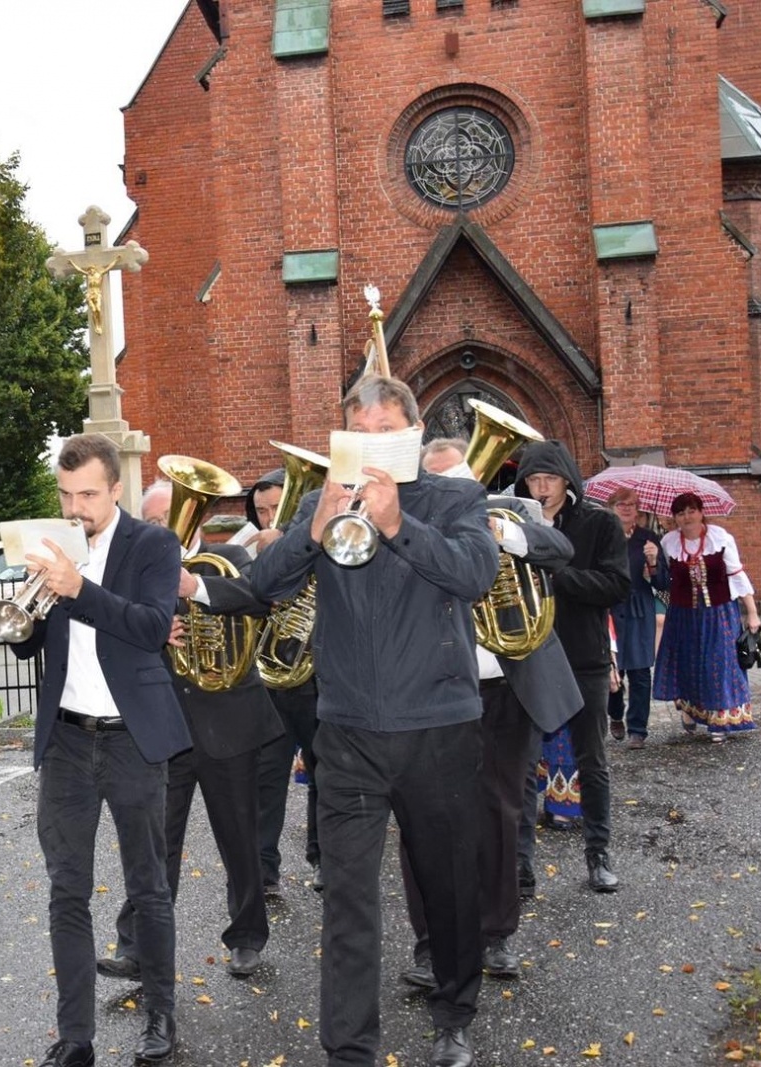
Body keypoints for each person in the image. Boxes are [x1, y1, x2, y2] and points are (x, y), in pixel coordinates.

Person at [252, 377, 498, 1067]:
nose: (374, 440)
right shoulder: (318, 499)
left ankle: (453, 1009)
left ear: (413, 433)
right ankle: (350, 1049)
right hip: (350, 732)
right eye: (360, 432)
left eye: (387, 427)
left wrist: (396, 524)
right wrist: (314, 526)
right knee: (348, 899)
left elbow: (476, 571)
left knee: (448, 883)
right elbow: (264, 584)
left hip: (439, 727)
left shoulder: (456, 497)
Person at [11, 433, 192, 1067]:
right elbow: (28, 644)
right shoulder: (53, 544)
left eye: (87, 494)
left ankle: (161, 1018)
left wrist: (78, 588)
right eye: (65, 494)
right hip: (65, 738)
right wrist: (23, 606)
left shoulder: (152, 544)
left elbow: (149, 628)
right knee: (67, 891)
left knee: (149, 887)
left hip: (132, 739)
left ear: (116, 488)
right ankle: (76, 1037)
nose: (76, 507)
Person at [398, 437, 581, 990]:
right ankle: (431, 944)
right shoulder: (405, 526)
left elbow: (559, 549)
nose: (452, 492)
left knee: (500, 813)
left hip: (500, 688)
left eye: (461, 480)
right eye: (441, 482)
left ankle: (496, 933)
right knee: (421, 821)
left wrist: (504, 533)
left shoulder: (502, 511)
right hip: (427, 692)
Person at [100, 480, 284, 982]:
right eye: (153, 523)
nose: (161, 531)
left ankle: (246, 937)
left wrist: (194, 588)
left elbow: (262, 599)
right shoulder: (134, 571)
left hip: (230, 721)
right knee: (155, 843)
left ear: (197, 519)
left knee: (239, 840)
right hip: (166, 725)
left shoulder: (229, 558)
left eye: (167, 520)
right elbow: (114, 636)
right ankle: (138, 948)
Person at [514, 441, 629, 893]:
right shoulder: (512, 523)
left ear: (568, 481)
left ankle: (598, 853)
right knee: (522, 766)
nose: (541, 489)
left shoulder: (598, 523)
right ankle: (521, 863)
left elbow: (617, 584)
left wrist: (557, 577)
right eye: (533, 481)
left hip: (583, 656)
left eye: (550, 480)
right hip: (529, 656)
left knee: (592, 760)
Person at [241, 466, 325, 898]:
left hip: (313, 678)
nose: (269, 517)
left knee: (323, 770)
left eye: (277, 508)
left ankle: (322, 858)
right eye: (261, 510)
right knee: (266, 777)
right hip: (267, 680)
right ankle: (264, 870)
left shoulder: (317, 539)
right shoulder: (244, 549)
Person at [649, 491, 761, 742]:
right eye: (680, 512)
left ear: (701, 512)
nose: (686, 517)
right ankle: (690, 710)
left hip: (719, 612)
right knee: (688, 662)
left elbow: (736, 574)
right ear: (674, 517)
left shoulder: (720, 537)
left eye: (691, 510)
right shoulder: (668, 542)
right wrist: (653, 562)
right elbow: (664, 582)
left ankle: (720, 720)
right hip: (683, 616)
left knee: (719, 662)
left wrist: (753, 613)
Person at [606, 488, 667, 748]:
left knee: (641, 673)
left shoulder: (648, 539)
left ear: (638, 509)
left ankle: (638, 730)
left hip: (639, 610)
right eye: (621, 504)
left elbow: (663, 583)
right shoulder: (603, 538)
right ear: (611, 508)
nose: (627, 508)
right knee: (613, 671)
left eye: (632, 504)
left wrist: (654, 562)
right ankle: (616, 714)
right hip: (610, 609)